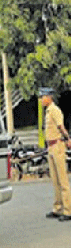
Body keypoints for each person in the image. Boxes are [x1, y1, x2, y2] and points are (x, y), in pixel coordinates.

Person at [40, 88, 71, 221]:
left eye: (43, 97)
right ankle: (58, 208)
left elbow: (61, 127)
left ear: (49, 97)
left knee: (62, 180)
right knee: (55, 180)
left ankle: (68, 210)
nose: (41, 100)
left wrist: (68, 139)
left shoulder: (55, 110)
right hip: (51, 147)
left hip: (58, 146)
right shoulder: (47, 112)